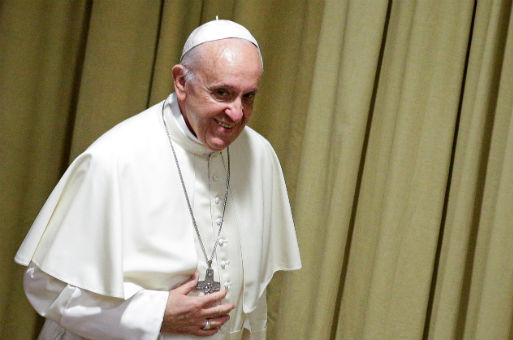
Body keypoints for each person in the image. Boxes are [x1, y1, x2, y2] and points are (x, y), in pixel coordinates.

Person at [14, 19, 301, 340]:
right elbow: (46, 287)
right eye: (222, 93)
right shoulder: (115, 158)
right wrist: (154, 315)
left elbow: (252, 299)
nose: (236, 114)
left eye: (248, 97)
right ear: (181, 81)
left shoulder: (259, 154)